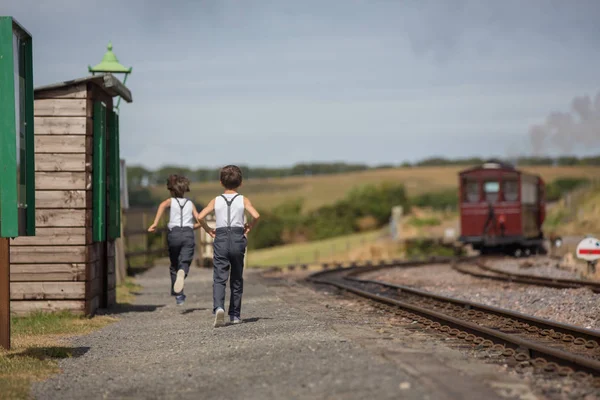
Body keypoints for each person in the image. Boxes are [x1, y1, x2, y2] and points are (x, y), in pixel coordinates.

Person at [196, 165, 260, 327]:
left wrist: (208, 230)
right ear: (241, 183)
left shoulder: (216, 200)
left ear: (221, 182)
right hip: (238, 238)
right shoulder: (243, 199)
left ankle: (218, 308)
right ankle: (235, 315)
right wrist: (250, 226)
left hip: (221, 238)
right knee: (237, 277)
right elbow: (256, 215)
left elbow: (200, 216)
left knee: (219, 277)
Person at [148, 174, 201, 306]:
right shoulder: (190, 203)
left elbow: (161, 205)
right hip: (188, 233)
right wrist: (194, 226)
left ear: (171, 190)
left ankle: (179, 295)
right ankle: (183, 272)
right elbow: (199, 219)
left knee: (173, 265)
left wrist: (155, 223)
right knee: (185, 261)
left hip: (174, 234)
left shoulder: (170, 202)